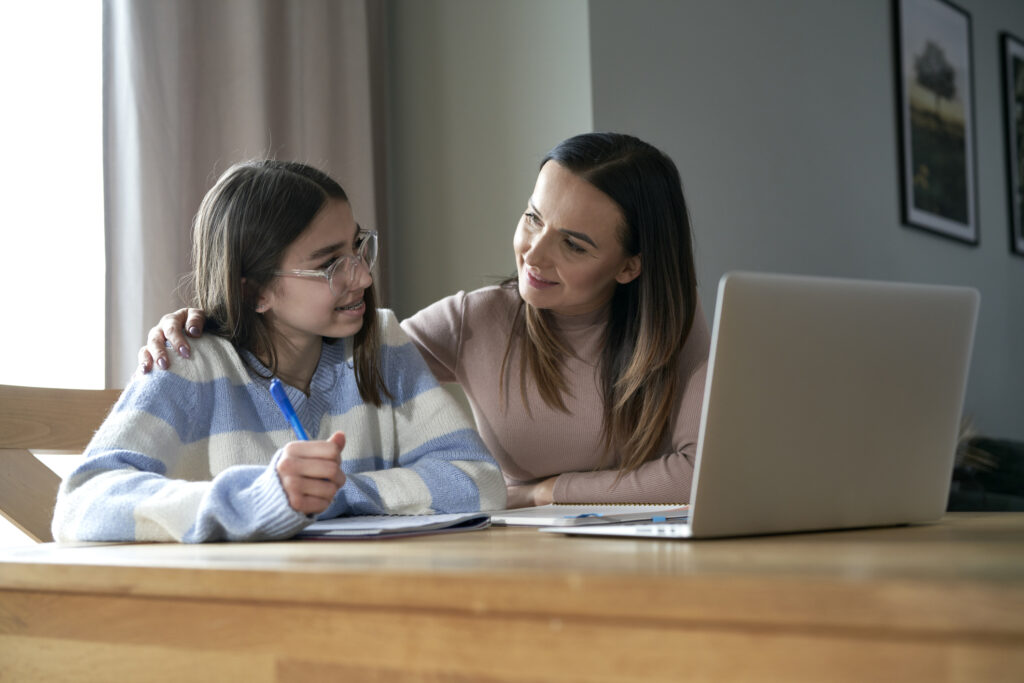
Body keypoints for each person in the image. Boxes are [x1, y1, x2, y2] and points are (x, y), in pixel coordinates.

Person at [140, 133, 711, 508]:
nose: (534, 254)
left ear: (631, 266)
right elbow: (343, 345)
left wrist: (544, 492)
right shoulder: (477, 320)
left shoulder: (678, 333)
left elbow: (695, 477)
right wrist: (222, 317)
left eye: (575, 245)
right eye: (533, 218)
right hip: (523, 562)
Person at [53, 160, 505, 543]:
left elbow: (479, 480)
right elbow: (82, 502)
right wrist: (257, 500)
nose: (363, 278)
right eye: (330, 264)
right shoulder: (189, 363)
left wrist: (331, 494)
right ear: (256, 292)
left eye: (358, 248)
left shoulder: (381, 343)